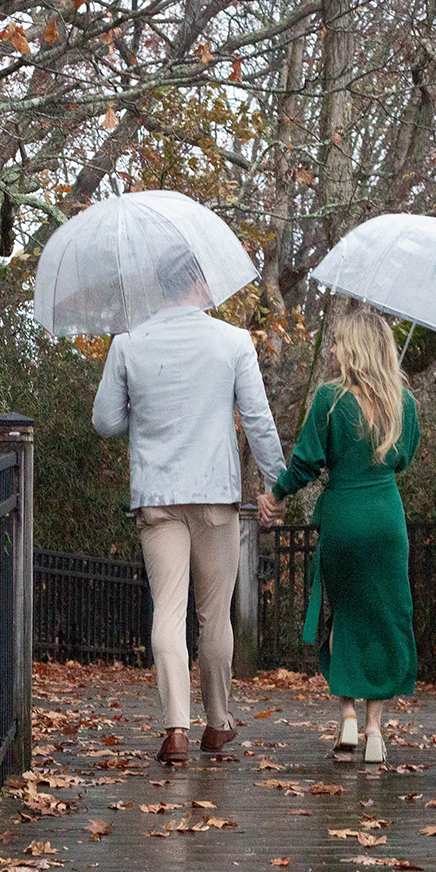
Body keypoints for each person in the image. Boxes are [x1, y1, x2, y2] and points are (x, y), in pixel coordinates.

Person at [92, 273, 286, 764]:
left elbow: (105, 421)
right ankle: (218, 724)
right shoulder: (233, 341)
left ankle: (175, 728)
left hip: (158, 496)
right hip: (215, 497)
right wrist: (277, 483)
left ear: (159, 287)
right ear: (198, 286)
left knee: (169, 611)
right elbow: (259, 419)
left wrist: (143, 409)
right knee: (214, 615)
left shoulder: (128, 342)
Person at [258, 308, 419, 764]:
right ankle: (374, 731)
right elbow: (403, 458)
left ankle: (347, 716)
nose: (331, 350)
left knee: (343, 615)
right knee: (384, 617)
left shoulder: (330, 399)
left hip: (344, 517)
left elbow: (307, 461)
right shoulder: (402, 402)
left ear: (353, 348)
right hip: (386, 516)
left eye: (337, 342)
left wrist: (277, 494)